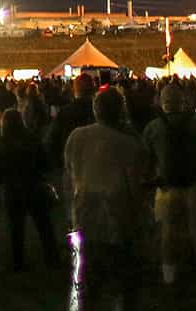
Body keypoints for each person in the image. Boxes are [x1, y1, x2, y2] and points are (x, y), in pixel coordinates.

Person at [64, 88, 149, 311]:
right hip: (118, 217)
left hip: (84, 213)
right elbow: (135, 185)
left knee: (88, 280)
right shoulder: (129, 144)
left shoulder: (77, 136)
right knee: (123, 280)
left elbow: (70, 173)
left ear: (95, 109)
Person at [140, 80, 196, 288]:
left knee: (167, 235)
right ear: (183, 101)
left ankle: (168, 277)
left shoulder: (153, 127)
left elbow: (146, 160)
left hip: (166, 186)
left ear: (162, 102)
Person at [0, 108, 61, 272]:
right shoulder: (32, 140)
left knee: (16, 228)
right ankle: (52, 257)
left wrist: (3, 180)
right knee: (44, 225)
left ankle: (18, 262)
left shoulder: (0, 144)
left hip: (12, 190)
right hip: (34, 186)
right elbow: (45, 164)